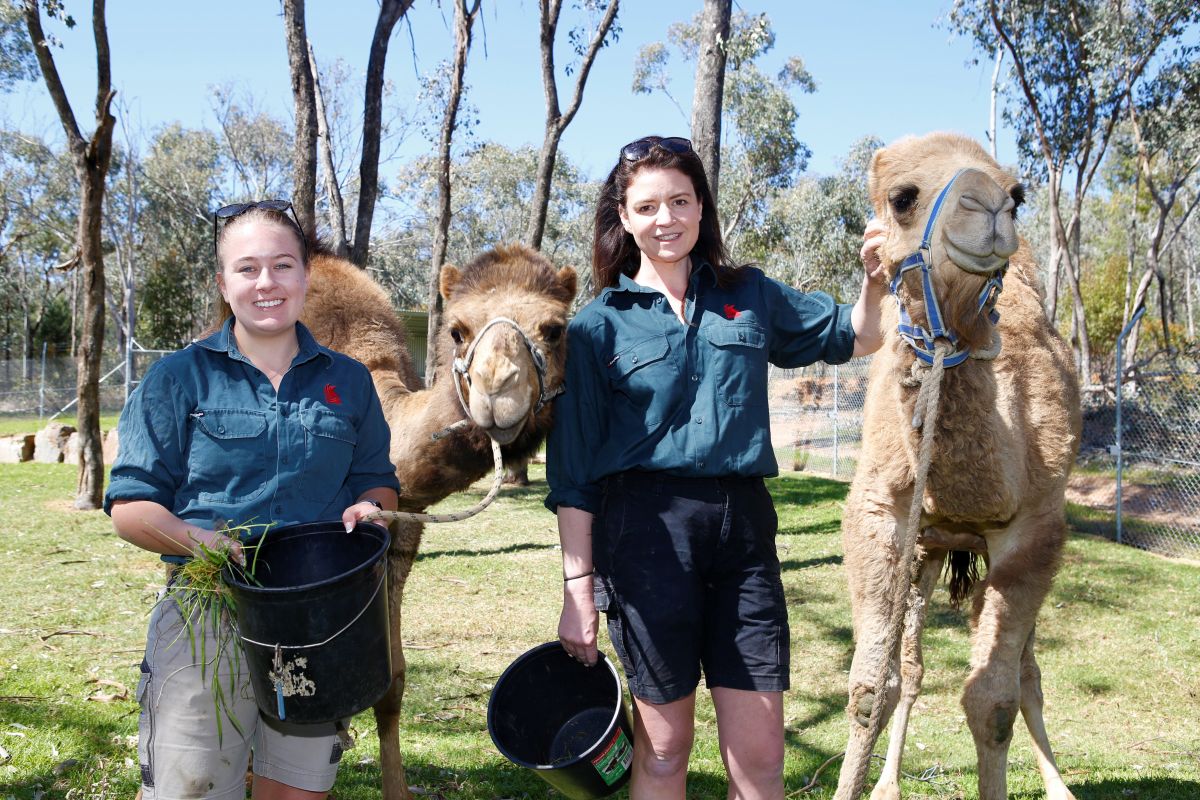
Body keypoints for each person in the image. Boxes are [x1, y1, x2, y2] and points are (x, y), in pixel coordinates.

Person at [545, 136, 887, 799]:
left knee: (759, 756)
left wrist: (873, 281)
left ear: (701, 206)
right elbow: (574, 477)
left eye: (680, 200)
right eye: (647, 206)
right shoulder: (597, 327)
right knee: (666, 751)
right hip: (642, 536)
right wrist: (577, 592)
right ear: (624, 214)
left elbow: (859, 335)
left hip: (743, 533)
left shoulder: (749, 294)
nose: (665, 219)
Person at [104, 200, 400, 800]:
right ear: (223, 282)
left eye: (283, 265)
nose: (267, 283)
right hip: (206, 611)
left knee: (295, 790)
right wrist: (206, 543)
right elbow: (131, 508)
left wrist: (370, 509)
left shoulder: (350, 381)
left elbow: (377, 479)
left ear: (306, 277)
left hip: (318, 618)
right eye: (247, 268)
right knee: (192, 790)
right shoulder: (178, 379)